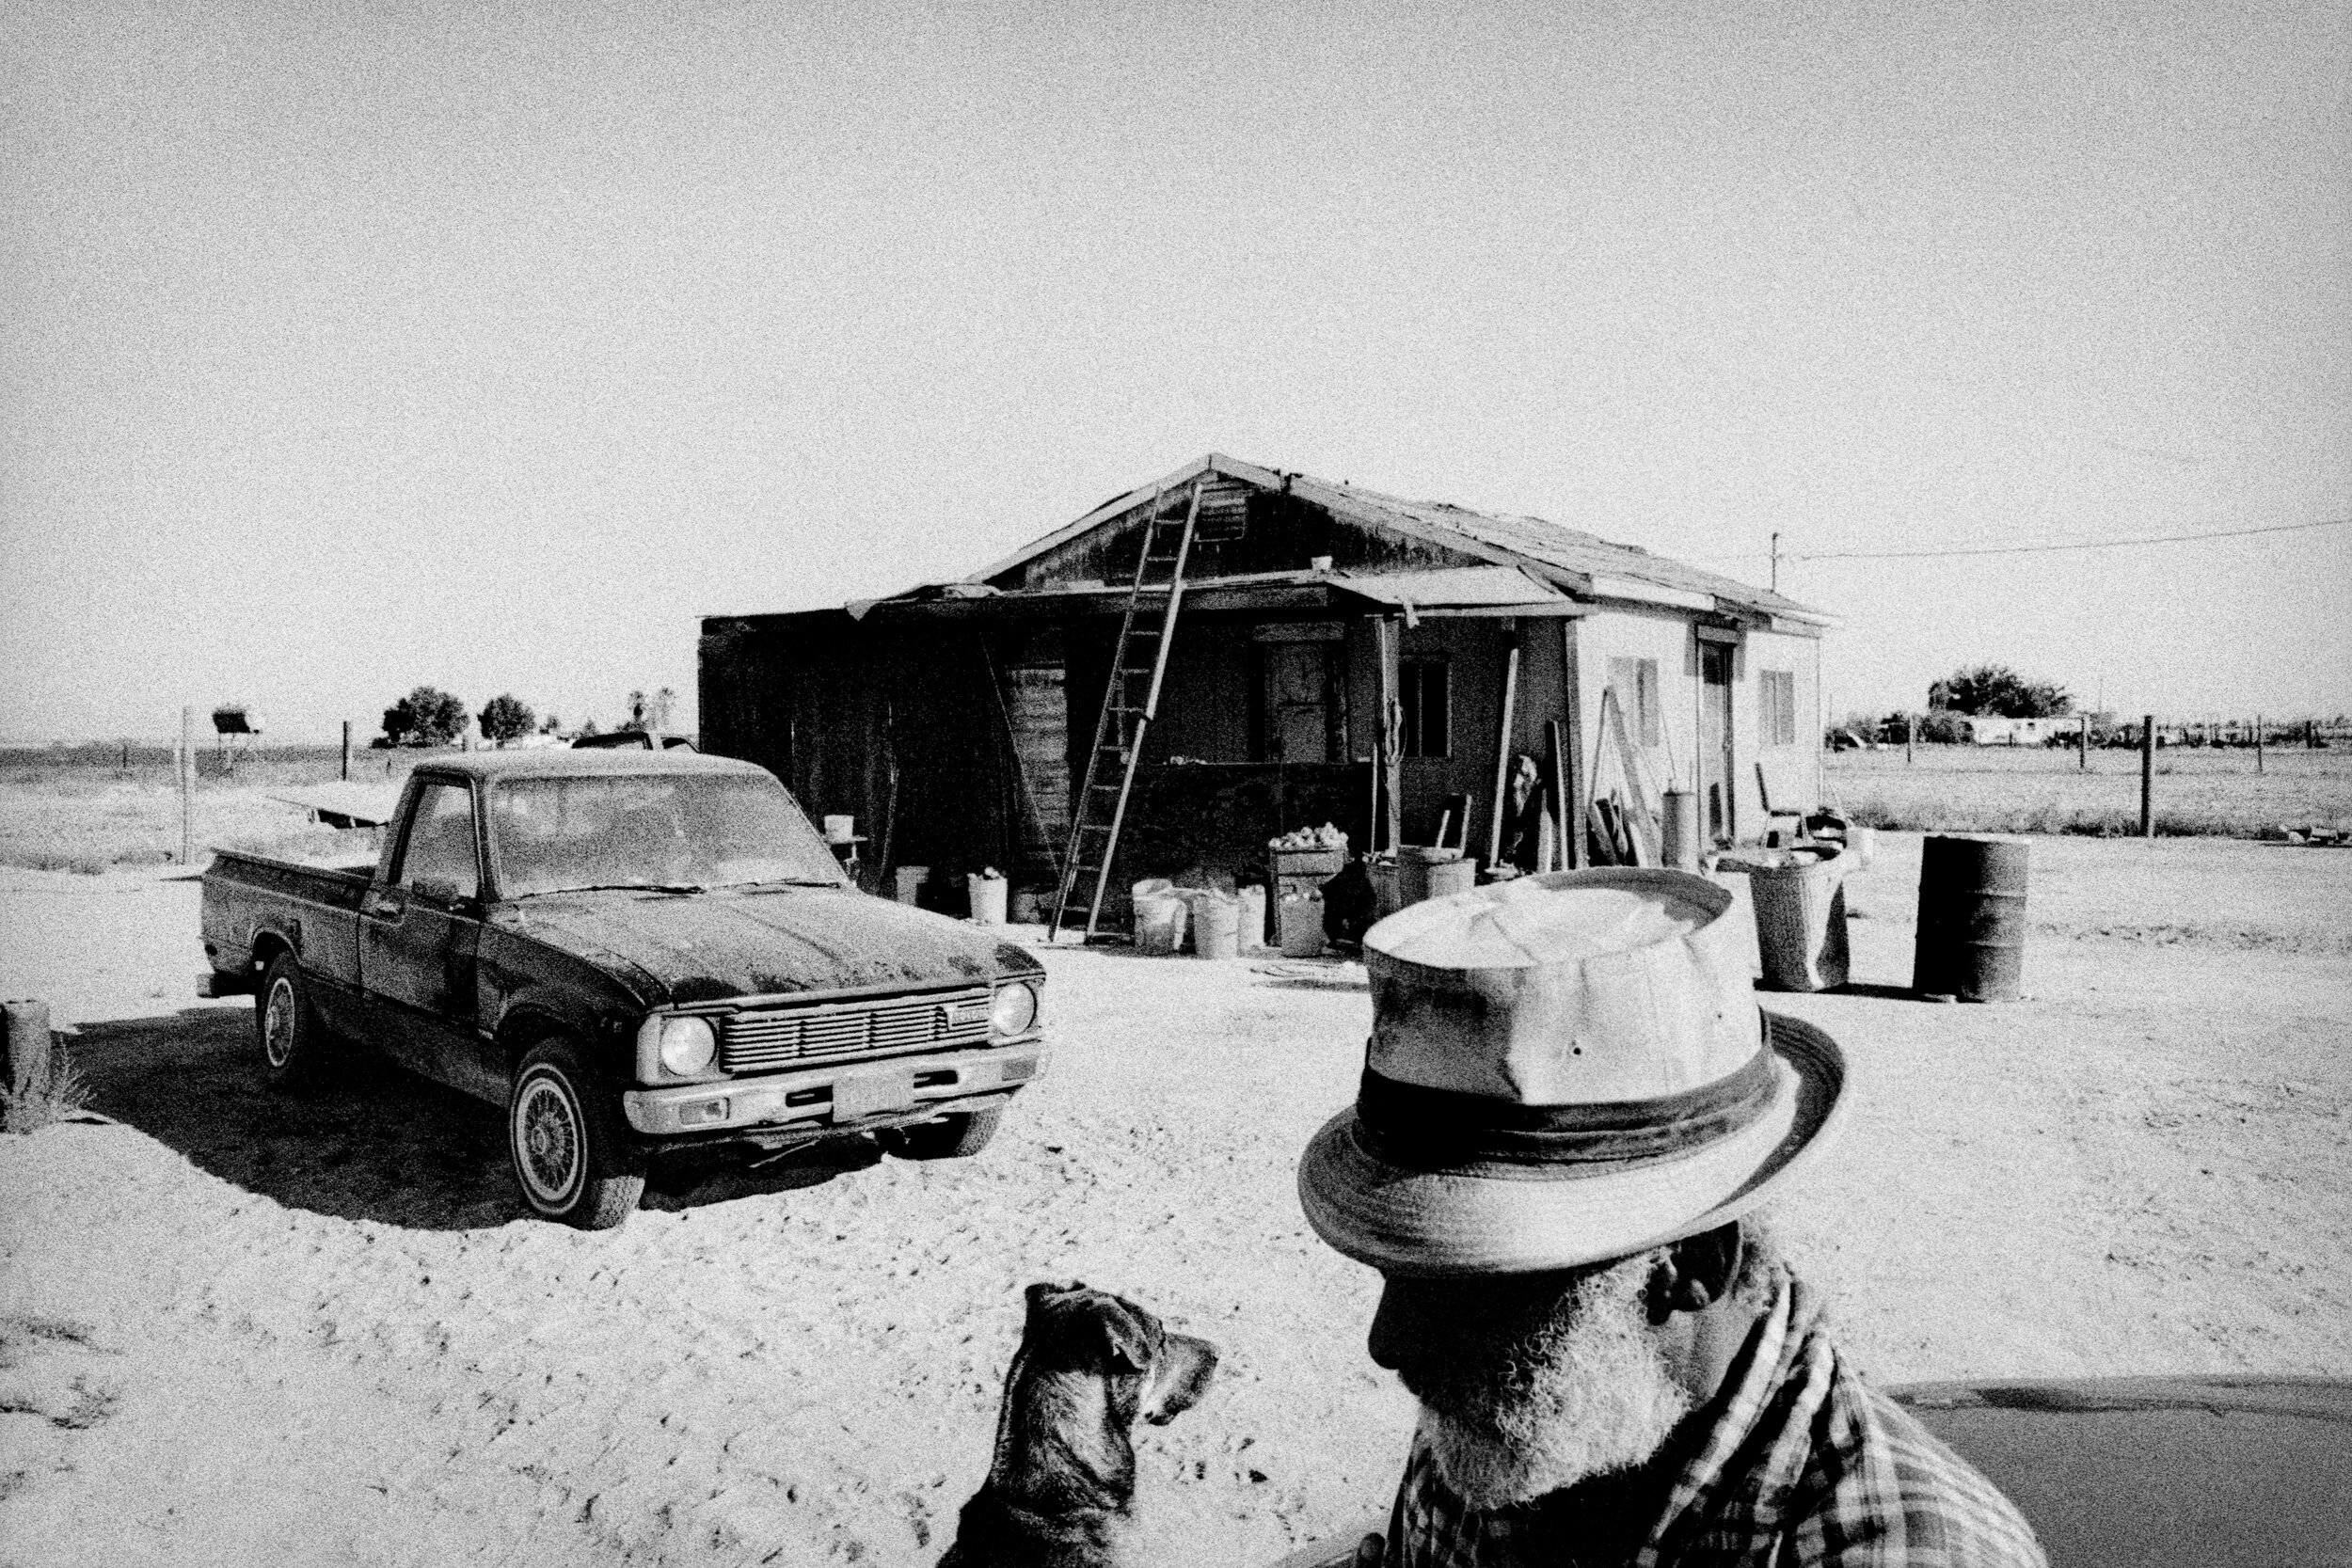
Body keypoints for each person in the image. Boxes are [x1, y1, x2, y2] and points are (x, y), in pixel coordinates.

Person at [1296, 869, 2046, 1568]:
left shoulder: (1904, 1550)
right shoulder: (1510, 1426)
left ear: (1692, 1267)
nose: (1387, 1343)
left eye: (1470, 1283)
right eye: (1400, 1271)